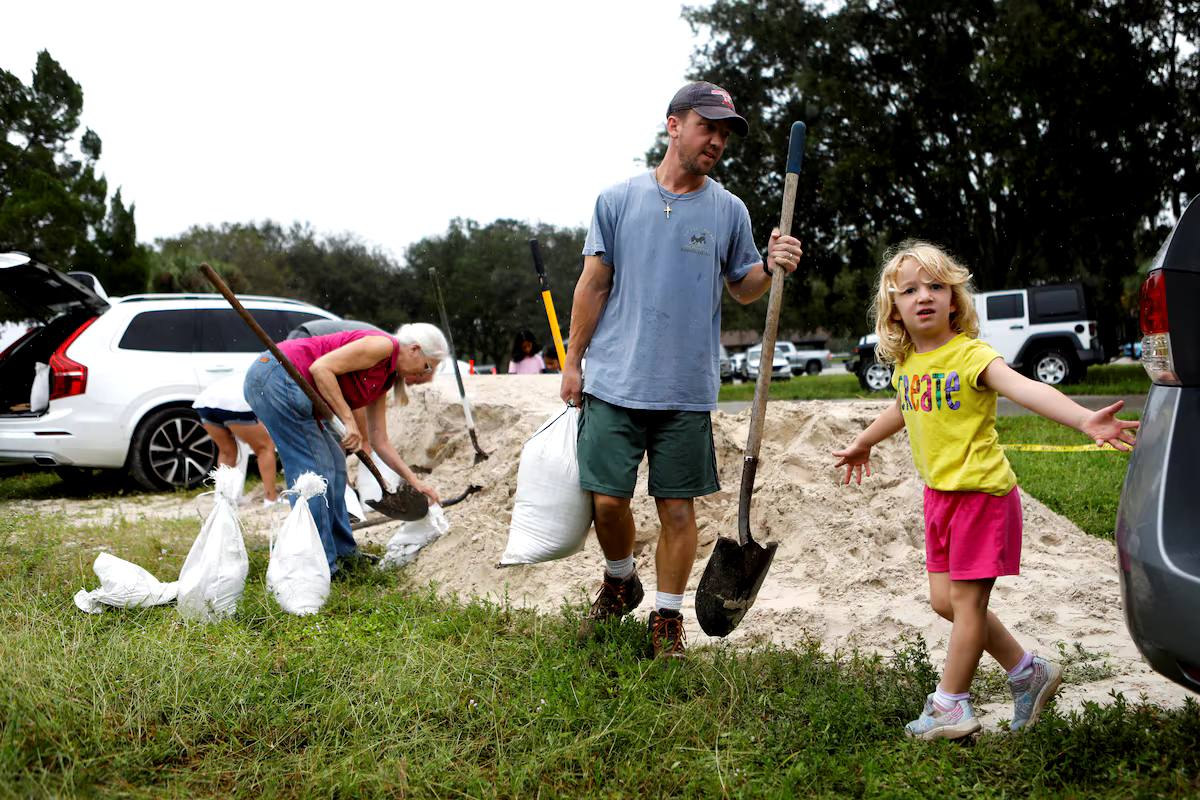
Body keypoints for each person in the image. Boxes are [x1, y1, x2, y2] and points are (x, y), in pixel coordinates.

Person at [833, 241, 1138, 739]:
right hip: (939, 499)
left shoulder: (971, 355)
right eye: (909, 290)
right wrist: (864, 442)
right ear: (893, 309)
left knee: (968, 605)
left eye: (936, 286)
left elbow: (1025, 388)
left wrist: (1085, 418)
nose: (923, 296)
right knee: (944, 601)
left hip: (981, 497)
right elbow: (902, 407)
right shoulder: (909, 364)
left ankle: (950, 706)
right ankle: (1027, 672)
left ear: (954, 300)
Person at [561, 80, 804, 658]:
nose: (717, 140)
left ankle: (666, 620)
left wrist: (770, 265)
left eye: (725, 133)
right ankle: (621, 579)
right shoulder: (616, 200)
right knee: (607, 502)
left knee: (676, 508)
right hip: (615, 381)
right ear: (673, 125)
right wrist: (573, 363)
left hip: (685, 389)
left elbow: (744, 287)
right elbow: (593, 285)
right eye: (708, 127)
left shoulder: (728, 209)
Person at [243, 323, 449, 577]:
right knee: (315, 474)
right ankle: (319, 565)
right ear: (415, 349)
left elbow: (379, 440)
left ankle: (344, 554)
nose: (424, 374)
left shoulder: (385, 377)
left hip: (289, 384)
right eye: (427, 366)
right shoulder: (383, 345)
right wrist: (348, 421)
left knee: (336, 468)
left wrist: (415, 482)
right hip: (278, 375)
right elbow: (321, 368)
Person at [192, 374, 280, 505]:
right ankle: (271, 499)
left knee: (226, 451)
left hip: (205, 403)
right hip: (235, 403)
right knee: (265, 448)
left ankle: (222, 498)